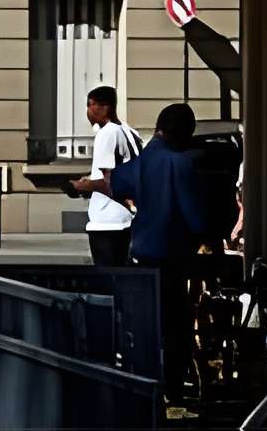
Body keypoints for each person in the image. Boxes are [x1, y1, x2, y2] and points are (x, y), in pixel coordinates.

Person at [108, 102, 235, 398]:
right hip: (170, 257)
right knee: (176, 326)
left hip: (139, 254)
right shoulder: (182, 163)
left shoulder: (146, 158)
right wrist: (212, 241)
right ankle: (174, 389)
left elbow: (117, 181)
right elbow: (197, 218)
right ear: (184, 132)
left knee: (144, 326)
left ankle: (145, 384)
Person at [72, 84, 140, 266]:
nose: (88, 111)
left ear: (104, 107)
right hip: (124, 219)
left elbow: (106, 182)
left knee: (109, 280)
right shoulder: (128, 131)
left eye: (90, 105)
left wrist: (80, 186)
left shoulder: (107, 133)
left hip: (108, 221)